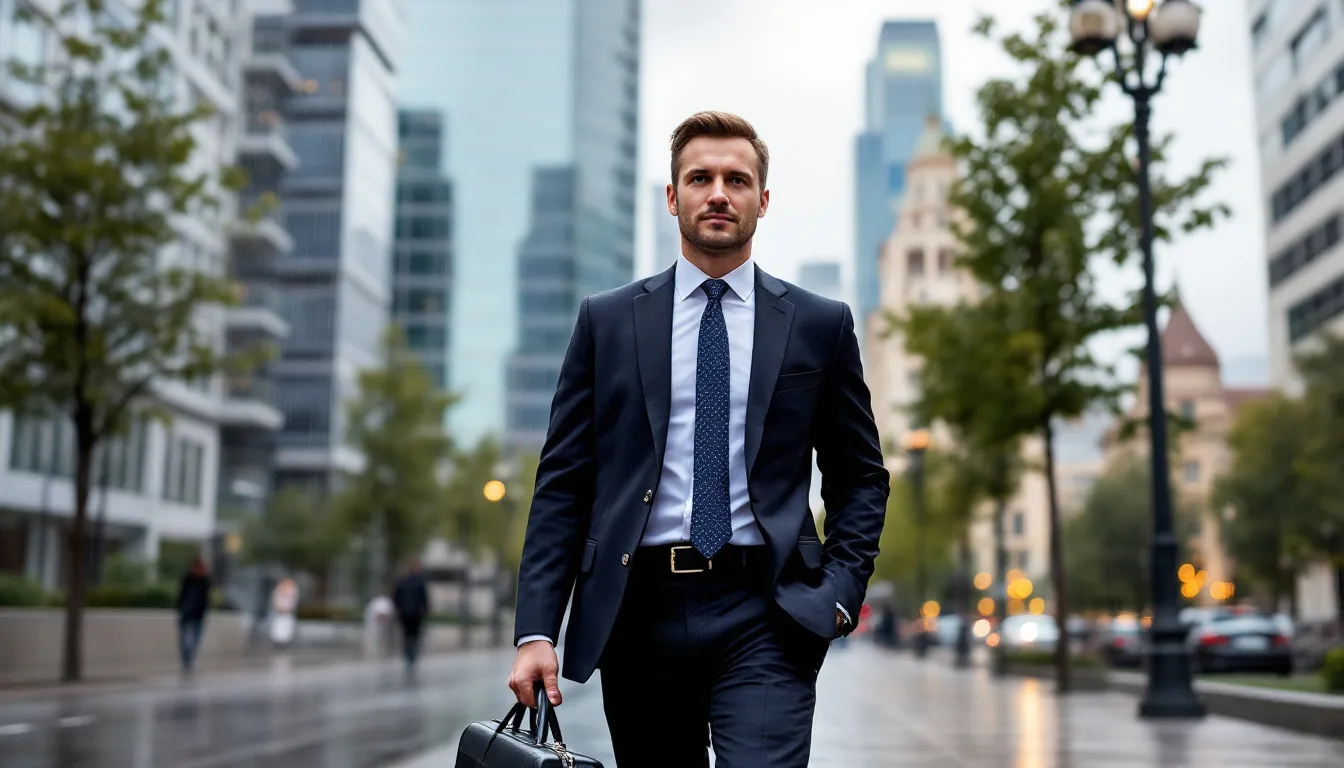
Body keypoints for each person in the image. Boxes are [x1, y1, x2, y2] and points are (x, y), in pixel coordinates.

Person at [508, 111, 889, 767]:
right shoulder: (607, 322)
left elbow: (860, 476)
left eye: (737, 179)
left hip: (767, 611)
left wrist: (838, 596)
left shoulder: (818, 324)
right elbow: (563, 484)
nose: (718, 192)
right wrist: (537, 628)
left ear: (762, 200)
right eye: (700, 178)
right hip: (638, 610)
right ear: (672, 196)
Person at [392, 558, 430, 672]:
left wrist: (398, 609)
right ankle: (411, 654)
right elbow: (425, 599)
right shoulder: (420, 582)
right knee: (414, 635)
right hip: (416, 613)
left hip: (404, 613)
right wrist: (425, 610)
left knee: (407, 634)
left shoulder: (402, 581)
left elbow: (396, 597)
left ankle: (408, 654)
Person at [176, 556, 212, 674]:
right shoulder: (187, 579)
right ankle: (185, 659)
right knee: (184, 639)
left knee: (196, 639)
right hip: (186, 613)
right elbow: (181, 595)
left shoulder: (205, 581)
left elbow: (206, 599)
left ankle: (189, 659)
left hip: (198, 614)